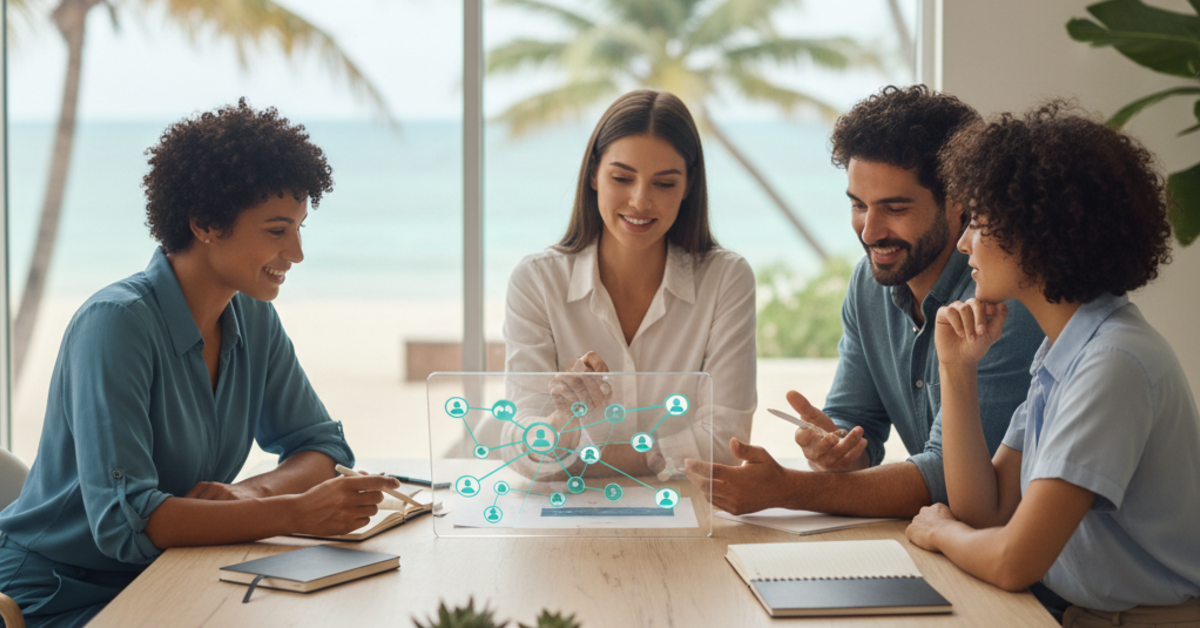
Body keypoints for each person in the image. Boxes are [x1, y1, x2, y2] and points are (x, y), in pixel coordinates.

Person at [0, 100, 398, 627]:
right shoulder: (115, 325)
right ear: (206, 223)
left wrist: (244, 494)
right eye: (278, 231)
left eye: (301, 228)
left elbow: (321, 447)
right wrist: (296, 513)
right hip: (53, 595)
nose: (297, 252)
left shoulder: (251, 317)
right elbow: (128, 522)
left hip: (183, 572)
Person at [685, 85, 1044, 517]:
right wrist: (835, 448)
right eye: (859, 205)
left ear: (958, 202)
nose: (869, 232)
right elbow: (857, 426)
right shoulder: (870, 283)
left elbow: (949, 480)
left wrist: (788, 490)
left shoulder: (1004, 305)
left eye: (894, 208)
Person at [905, 103, 1200, 626]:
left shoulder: (1112, 364)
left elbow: (1013, 560)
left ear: (1037, 230)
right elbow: (989, 510)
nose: (964, 241)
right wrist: (957, 369)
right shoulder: (1067, 349)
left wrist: (939, 531)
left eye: (978, 220)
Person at [502, 89, 756, 476]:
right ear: (593, 174)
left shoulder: (725, 280)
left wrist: (572, 455)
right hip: (565, 518)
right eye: (622, 177)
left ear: (688, 186)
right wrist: (562, 418)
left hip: (686, 515)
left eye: (664, 184)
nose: (640, 201)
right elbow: (520, 447)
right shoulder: (536, 282)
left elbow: (725, 441)